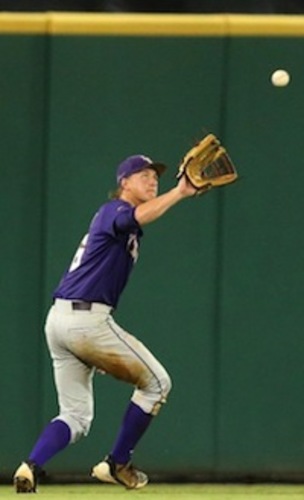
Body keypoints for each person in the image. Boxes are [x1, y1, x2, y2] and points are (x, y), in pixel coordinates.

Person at [13, 154, 198, 493]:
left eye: (155, 175)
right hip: (86, 321)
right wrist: (181, 192)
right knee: (158, 383)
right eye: (143, 175)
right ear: (123, 182)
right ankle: (117, 463)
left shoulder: (121, 218)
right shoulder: (115, 210)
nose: (152, 180)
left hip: (59, 322)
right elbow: (141, 215)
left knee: (76, 418)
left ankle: (30, 466)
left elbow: (141, 218)